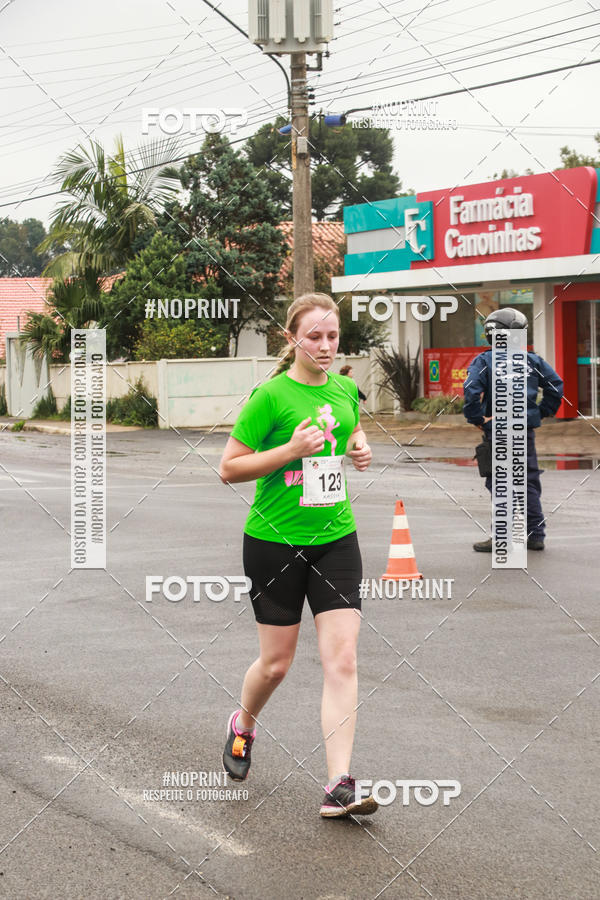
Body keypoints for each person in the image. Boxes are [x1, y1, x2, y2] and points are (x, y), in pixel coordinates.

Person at [219, 292, 378, 819]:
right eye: (314, 336)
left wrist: (359, 449)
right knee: (276, 664)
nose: (326, 346)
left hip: (336, 538)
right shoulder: (270, 396)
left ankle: (339, 783)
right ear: (292, 339)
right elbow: (230, 468)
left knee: (343, 658)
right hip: (274, 542)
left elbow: (353, 431)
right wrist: (289, 451)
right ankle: (243, 724)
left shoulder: (347, 388)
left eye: (333, 336)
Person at [463, 307, 564, 552]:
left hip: (496, 429)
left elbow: (471, 390)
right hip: (523, 429)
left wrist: (477, 418)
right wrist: (540, 413)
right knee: (528, 481)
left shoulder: (484, 360)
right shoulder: (532, 360)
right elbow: (556, 386)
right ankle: (536, 535)